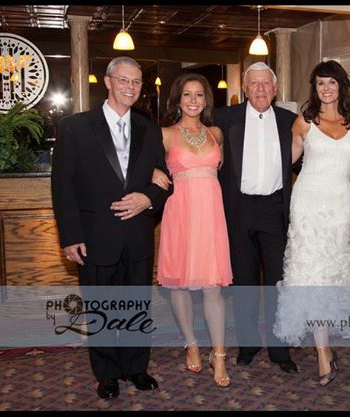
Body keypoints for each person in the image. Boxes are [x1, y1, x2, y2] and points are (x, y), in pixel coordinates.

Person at [51, 56, 172, 399]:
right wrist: (70, 236)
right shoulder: (74, 126)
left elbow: (165, 180)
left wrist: (147, 198)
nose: (130, 87)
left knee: (137, 305)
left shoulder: (150, 129)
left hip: (137, 236)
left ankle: (135, 367)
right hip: (94, 237)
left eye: (136, 82)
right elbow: (63, 185)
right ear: (107, 82)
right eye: (123, 80)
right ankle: (106, 374)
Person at [273, 60, 350, 386]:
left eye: (331, 82)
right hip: (308, 205)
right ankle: (322, 349)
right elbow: (282, 163)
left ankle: (324, 342)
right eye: (320, 83)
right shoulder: (304, 122)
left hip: (339, 207)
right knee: (310, 273)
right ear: (314, 88)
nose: (326, 88)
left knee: (332, 272)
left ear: (342, 86)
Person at [214, 62, 299, 374]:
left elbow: (309, 156)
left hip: (275, 210)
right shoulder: (224, 118)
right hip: (239, 209)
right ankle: (248, 344)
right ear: (245, 88)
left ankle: (280, 349)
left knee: (278, 282)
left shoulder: (290, 121)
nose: (261, 89)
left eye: (266, 84)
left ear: (275, 90)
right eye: (254, 83)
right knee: (244, 282)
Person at [153, 73, 233, 388]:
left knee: (214, 286)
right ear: (178, 99)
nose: (193, 100)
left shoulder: (216, 133)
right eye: (187, 94)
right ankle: (191, 343)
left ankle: (219, 354)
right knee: (180, 284)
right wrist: (153, 171)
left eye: (199, 95)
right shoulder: (165, 135)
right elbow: (139, 163)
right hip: (180, 213)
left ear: (206, 100)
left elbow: (222, 171)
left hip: (211, 215)